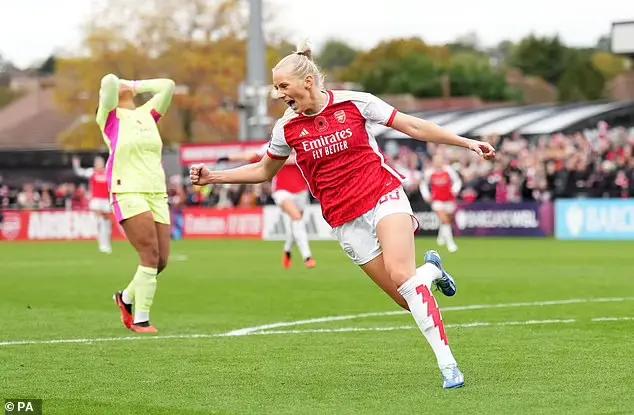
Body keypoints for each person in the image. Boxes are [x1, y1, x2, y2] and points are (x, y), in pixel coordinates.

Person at [189, 41, 495, 389]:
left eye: (283, 86)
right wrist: (214, 177)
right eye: (276, 88)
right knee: (406, 298)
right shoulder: (285, 129)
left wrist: (467, 143)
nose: (278, 94)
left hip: (383, 195)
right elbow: (263, 171)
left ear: (307, 81)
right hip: (345, 220)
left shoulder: (355, 102)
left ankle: (448, 366)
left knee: (402, 277)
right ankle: (432, 270)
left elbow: (412, 126)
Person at [96, 73, 175, 334]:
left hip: (156, 191)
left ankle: (125, 298)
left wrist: (134, 85)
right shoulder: (109, 115)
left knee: (161, 260)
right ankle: (141, 319)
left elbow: (168, 86)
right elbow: (109, 80)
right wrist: (122, 84)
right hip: (127, 189)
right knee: (149, 254)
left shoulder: (148, 113)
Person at [218, 145, 316, 269]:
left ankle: (287, 250)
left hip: (301, 191)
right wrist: (226, 157)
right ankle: (307, 257)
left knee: (296, 224)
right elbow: (251, 155)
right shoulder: (277, 142)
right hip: (282, 190)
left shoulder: (302, 142)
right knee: (296, 218)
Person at [420, 153, 462, 253]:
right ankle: (451, 243)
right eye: (436, 160)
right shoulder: (429, 172)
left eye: (440, 160)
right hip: (437, 200)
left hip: (449, 199)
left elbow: (457, 181)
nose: (438, 162)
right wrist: (426, 195)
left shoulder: (449, 170)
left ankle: (441, 236)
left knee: (448, 220)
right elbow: (423, 184)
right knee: (445, 220)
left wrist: (455, 190)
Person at [72, 155, 113, 253]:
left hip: (106, 201)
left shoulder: (107, 172)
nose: (99, 164)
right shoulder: (92, 172)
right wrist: (76, 164)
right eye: (97, 163)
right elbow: (79, 172)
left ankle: (107, 245)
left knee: (107, 225)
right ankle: (102, 245)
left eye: (100, 163)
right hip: (96, 201)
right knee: (100, 223)